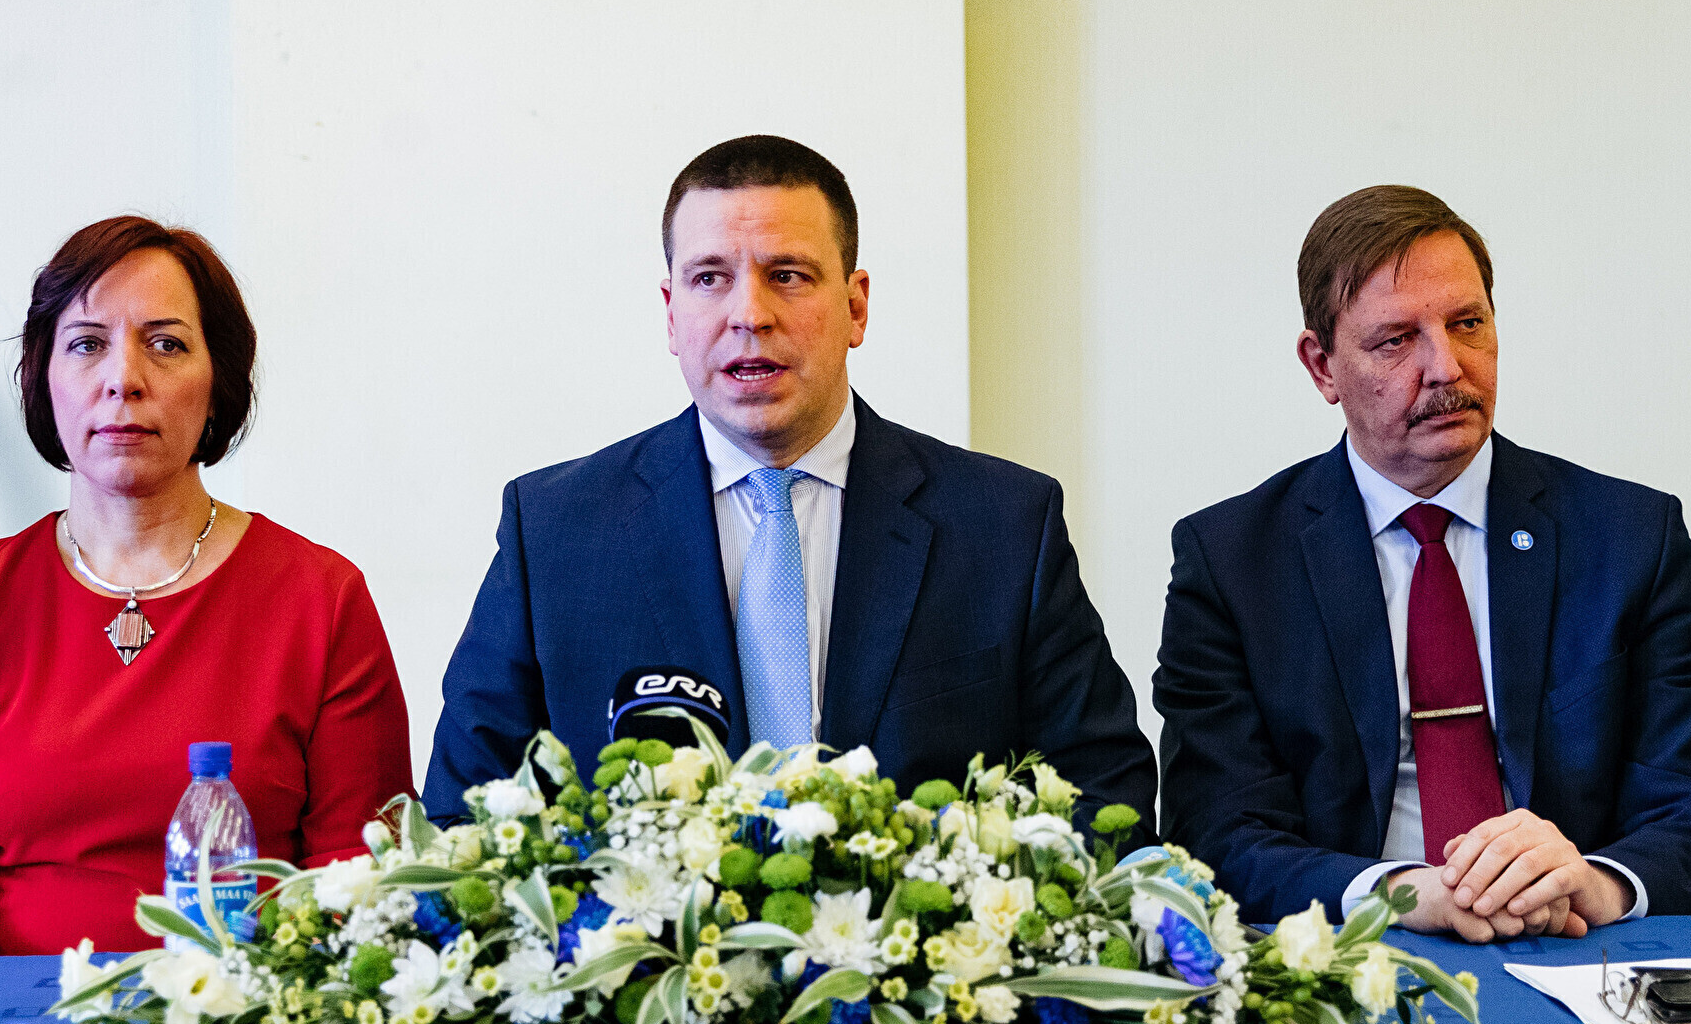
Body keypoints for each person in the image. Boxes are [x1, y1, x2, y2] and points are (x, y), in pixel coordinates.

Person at [424, 135, 1156, 826]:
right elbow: (463, 815)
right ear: (672, 314)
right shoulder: (555, 530)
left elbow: (1103, 793)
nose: (750, 314)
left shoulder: (1004, 524)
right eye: (710, 278)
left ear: (855, 306)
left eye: (788, 276)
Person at [1154, 185, 1691, 934]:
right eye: (1396, 340)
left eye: (1468, 324)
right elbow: (1216, 837)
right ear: (1322, 367)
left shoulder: (1629, 538)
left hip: (1573, 949)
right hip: (1359, 960)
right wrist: (1405, 896)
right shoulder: (1234, 563)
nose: (1446, 367)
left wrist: (1594, 884)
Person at [0, 217, 412, 956]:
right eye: (87, 344)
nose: (123, 379)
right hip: (17, 1011)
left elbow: (359, 874)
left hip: (249, 1013)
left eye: (166, 344)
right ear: (42, 380)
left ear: (219, 383)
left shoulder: (321, 598)